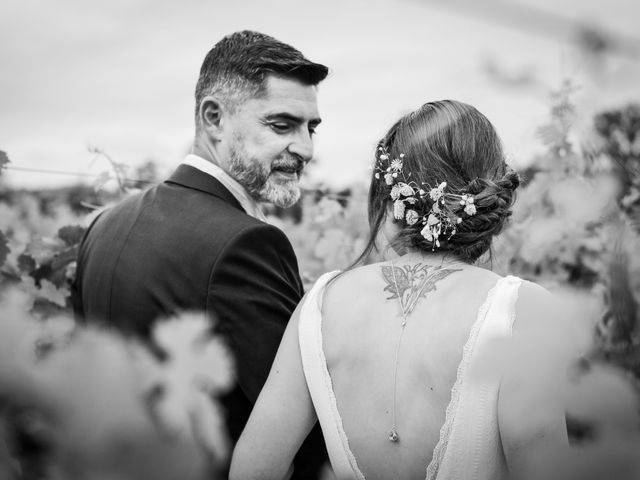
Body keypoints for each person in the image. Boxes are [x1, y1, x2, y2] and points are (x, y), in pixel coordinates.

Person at [230, 100, 569, 480]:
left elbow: (252, 469)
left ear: (390, 197)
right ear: (491, 198)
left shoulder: (321, 304)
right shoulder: (520, 312)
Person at [72, 30, 328, 478]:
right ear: (214, 118)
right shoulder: (247, 244)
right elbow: (299, 423)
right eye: (281, 125)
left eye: (311, 128)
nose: (305, 148)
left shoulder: (104, 225)